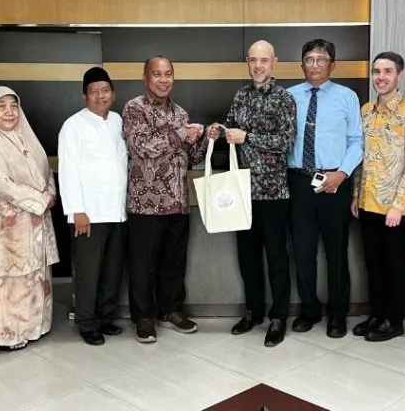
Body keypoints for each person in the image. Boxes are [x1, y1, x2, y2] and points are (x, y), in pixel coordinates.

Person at [209, 40, 296, 347]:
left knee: (277, 258)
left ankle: (278, 317)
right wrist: (218, 131)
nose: (258, 66)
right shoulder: (241, 95)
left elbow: (286, 142)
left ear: (274, 62)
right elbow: (230, 129)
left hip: (274, 193)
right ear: (248, 62)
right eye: (253, 60)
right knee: (248, 257)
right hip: (242, 192)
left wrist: (248, 136)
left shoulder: (284, 98)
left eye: (264, 60)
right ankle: (253, 311)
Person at [123, 56, 207, 344]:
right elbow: (142, 146)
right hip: (145, 204)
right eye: (157, 74)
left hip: (178, 201)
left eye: (167, 74)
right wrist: (182, 134)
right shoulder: (135, 108)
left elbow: (190, 156)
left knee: (173, 263)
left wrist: (204, 138)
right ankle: (144, 317)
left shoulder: (181, 113)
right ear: (146, 78)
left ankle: (170, 310)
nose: (163, 80)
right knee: (143, 264)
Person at [287, 38, 364, 338]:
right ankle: (309, 310)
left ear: (333, 65)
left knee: (336, 252)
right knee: (303, 251)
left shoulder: (347, 97)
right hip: (299, 181)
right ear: (301, 64)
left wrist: (342, 173)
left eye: (321, 59)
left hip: (335, 182)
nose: (315, 65)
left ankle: (338, 314)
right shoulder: (289, 96)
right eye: (309, 59)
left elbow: (357, 141)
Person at [0, 86, 59, 350]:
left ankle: (34, 327)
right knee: (6, 278)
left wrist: (50, 193)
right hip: (3, 228)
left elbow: (46, 172)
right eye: (2, 107)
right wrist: (41, 200)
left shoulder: (26, 138)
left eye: (13, 106)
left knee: (33, 275)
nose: (9, 112)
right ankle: (2, 335)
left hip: (33, 224)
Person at [351, 51, 405, 342]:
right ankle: (377, 314)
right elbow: (360, 156)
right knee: (374, 264)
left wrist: (399, 204)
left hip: (394, 206)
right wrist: (356, 194)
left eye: (387, 71)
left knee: (394, 266)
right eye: (377, 71)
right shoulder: (366, 111)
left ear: (399, 75)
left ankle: (393, 321)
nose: (380, 77)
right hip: (367, 201)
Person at [58, 67, 128, 346]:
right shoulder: (73, 126)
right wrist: (77, 210)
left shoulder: (117, 121)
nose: (100, 96)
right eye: (94, 92)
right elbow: (68, 171)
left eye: (105, 90)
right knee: (88, 272)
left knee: (112, 271)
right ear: (84, 97)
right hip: (89, 213)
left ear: (113, 94)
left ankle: (105, 317)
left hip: (117, 211)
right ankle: (86, 322)